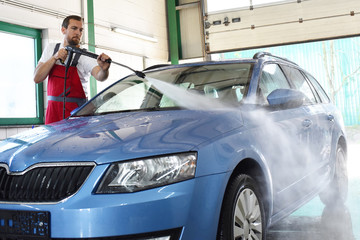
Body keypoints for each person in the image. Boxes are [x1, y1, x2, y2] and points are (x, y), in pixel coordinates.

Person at [34, 15, 111, 124]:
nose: (78, 33)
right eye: (74, 28)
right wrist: (54, 58)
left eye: (81, 30)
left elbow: (100, 76)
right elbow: (37, 77)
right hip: (53, 112)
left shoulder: (85, 56)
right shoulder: (51, 49)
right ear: (63, 30)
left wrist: (104, 70)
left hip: (75, 113)